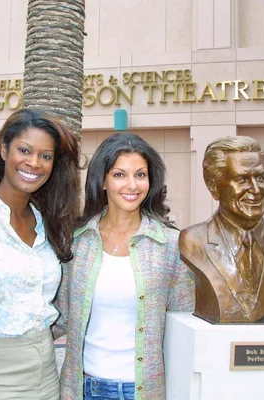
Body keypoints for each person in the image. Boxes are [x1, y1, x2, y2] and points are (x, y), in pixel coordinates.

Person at [0, 108, 81, 400]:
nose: (34, 163)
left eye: (45, 156)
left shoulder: (48, 222)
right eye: (25, 150)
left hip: (47, 372)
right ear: (4, 150)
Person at [54, 132, 195, 400]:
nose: (132, 185)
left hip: (144, 392)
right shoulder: (77, 242)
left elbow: (183, 325)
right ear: (103, 181)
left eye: (140, 175)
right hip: (84, 389)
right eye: (120, 174)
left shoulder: (170, 245)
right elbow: (58, 316)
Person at [179, 136, 264, 323]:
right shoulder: (192, 241)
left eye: (261, 177)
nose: (256, 189)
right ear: (214, 187)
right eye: (242, 179)